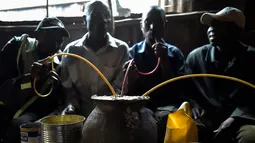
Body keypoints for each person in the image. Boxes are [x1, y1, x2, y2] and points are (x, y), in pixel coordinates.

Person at [184, 7, 255, 143]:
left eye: (220, 25)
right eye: (211, 25)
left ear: (237, 31)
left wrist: (235, 118)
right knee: (186, 131)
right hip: (206, 118)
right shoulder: (196, 57)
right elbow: (183, 89)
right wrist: (192, 105)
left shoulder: (252, 58)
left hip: (243, 119)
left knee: (250, 137)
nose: (212, 28)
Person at [0, 17, 69, 143]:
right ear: (38, 35)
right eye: (50, 36)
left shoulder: (58, 64)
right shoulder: (17, 48)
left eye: (60, 41)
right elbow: (3, 91)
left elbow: (53, 103)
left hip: (33, 114)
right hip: (7, 109)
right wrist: (30, 79)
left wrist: (56, 89)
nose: (56, 45)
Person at [125, 6, 185, 142]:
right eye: (148, 22)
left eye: (157, 23)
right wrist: (131, 80)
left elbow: (179, 93)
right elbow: (128, 96)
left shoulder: (175, 54)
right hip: (141, 109)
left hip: (168, 108)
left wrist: (165, 63)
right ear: (141, 26)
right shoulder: (132, 54)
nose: (152, 27)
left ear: (165, 26)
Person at [61, 0, 129, 117]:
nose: (103, 20)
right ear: (84, 20)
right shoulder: (70, 51)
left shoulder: (121, 50)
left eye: (106, 16)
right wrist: (71, 107)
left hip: (109, 114)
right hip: (79, 114)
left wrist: (102, 112)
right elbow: (69, 91)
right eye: (96, 16)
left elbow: (119, 90)